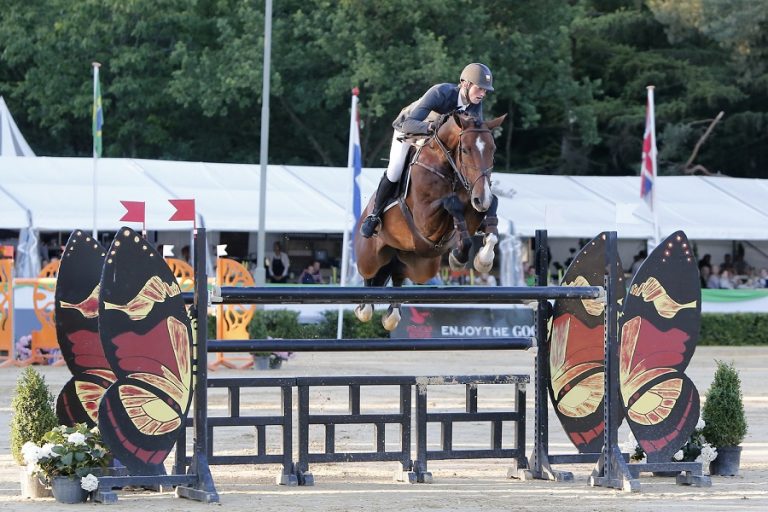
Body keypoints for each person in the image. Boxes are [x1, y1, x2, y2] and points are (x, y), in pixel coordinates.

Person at [359, 63, 495, 238]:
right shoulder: (440, 93)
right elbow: (408, 124)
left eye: (485, 91)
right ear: (465, 84)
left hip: (437, 139)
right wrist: (431, 127)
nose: (483, 94)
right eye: (480, 88)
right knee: (395, 169)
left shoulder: (475, 105)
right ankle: (375, 215)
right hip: (410, 129)